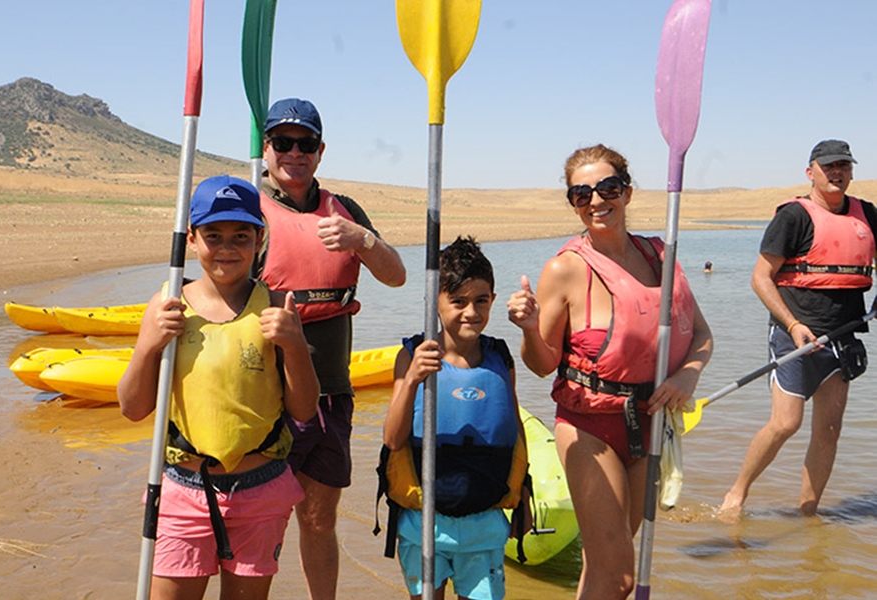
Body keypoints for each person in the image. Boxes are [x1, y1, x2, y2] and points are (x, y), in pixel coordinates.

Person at [506, 144, 713, 599]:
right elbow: (542, 365)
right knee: (620, 575)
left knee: (604, 566)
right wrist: (526, 327)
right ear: (574, 203)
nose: (597, 200)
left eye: (608, 188)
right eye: (582, 194)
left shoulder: (662, 255)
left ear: (628, 192)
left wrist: (687, 376)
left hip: (649, 424)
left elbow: (701, 334)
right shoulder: (565, 269)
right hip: (588, 428)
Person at [117, 175, 320, 600]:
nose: (227, 248)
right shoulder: (168, 305)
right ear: (192, 238)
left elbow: (303, 410)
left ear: (259, 239)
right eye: (214, 235)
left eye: (240, 236)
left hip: (261, 489)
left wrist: (296, 345)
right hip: (183, 491)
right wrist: (149, 346)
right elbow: (133, 408)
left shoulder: (277, 307)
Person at [255, 97, 407, 599]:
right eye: (282, 142)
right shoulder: (246, 209)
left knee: (319, 517)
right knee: (262, 520)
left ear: (320, 152)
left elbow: (396, 276)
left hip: (332, 394)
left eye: (305, 144)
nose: (294, 153)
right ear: (266, 147)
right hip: (264, 396)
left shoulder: (346, 212)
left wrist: (362, 239)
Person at [722, 140, 876, 517]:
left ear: (852, 171)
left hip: (843, 337)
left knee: (829, 430)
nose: (837, 172)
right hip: (795, 336)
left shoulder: (868, 215)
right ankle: (736, 495)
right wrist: (792, 325)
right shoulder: (793, 217)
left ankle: (809, 513)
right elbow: (761, 278)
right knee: (786, 423)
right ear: (811, 172)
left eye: (844, 165)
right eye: (828, 166)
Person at [382, 236, 531, 600]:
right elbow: (392, 439)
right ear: (434, 301)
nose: (471, 312)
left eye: (481, 301)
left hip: (485, 526)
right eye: (458, 301)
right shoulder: (413, 355)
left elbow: (514, 434)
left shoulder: (500, 357)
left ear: (493, 300)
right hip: (423, 525)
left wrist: (524, 500)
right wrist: (414, 378)